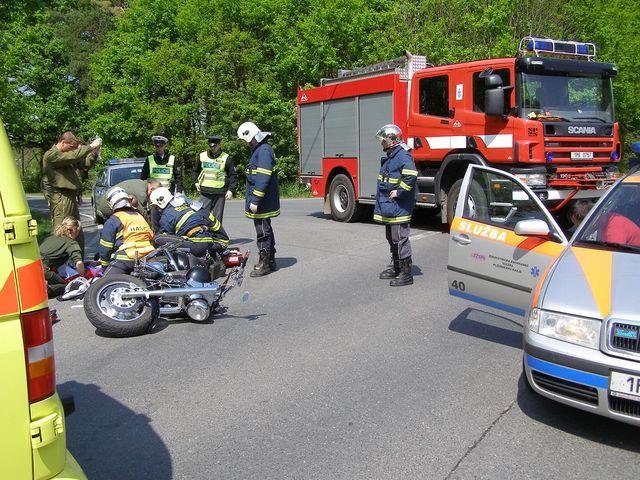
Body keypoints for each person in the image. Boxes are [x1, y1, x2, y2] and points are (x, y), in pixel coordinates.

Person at [43, 131, 102, 255]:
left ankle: (78, 261)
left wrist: (94, 153)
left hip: (70, 196)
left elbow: (84, 165)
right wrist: (90, 146)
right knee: (63, 231)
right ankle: (58, 262)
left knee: (76, 230)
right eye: (70, 147)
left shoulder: (65, 156)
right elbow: (74, 156)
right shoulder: (51, 155)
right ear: (63, 142)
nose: (72, 150)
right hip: (61, 197)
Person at [374, 124, 418, 287]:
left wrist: (399, 192)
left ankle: (406, 274)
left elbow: (411, 175)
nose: (382, 144)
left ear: (392, 140)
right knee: (392, 238)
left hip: (398, 206)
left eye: (383, 140)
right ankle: (397, 268)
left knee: (400, 239)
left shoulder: (402, 155)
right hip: (390, 206)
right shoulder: (393, 154)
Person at [237, 121, 280, 277]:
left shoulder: (263, 151)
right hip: (263, 200)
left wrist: (255, 200)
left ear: (250, 136)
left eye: (245, 140)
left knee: (262, 232)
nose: (245, 143)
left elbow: (262, 178)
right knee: (266, 229)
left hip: (262, 202)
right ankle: (270, 260)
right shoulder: (260, 149)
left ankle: (265, 263)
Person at [150, 186, 229, 257]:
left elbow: (167, 239)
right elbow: (213, 222)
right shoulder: (192, 206)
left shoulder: (166, 217)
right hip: (214, 244)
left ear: (159, 204)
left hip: (197, 247)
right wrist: (221, 242)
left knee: (158, 238)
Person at [97, 186, 155, 275]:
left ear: (111, 204)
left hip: (126, 258)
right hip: (148, 257)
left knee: (105, 285)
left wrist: (105, 267)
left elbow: (105, 248)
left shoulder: (113, 220)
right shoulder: (139, 216)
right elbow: (151, 236)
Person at [194, 134, 237, 222]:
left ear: (219, 144)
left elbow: (233, 175)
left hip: (220, 192)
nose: (213, 148)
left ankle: (217, 236)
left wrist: (230, 190)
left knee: (217, 219)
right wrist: (196, 182)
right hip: (205, 191)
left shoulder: (226, 158)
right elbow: (195, 171)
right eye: (211, 146)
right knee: (202, 216)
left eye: (215, 146)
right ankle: (202, 235)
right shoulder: (202, 156)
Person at [40, 217, 85, 298]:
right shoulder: (71, 243)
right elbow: (79, 263)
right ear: (72, 230)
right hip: (43, 270)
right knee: (67, 285)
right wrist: (82, 277)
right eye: (78, 230)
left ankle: (43, 284)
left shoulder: (51, 238)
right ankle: (46, 290)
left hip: (32, 266)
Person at [96, 179, 162, 230]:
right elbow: (142, 213)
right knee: (132, 219)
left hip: (105, 200)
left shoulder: (141, 183)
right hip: (107, 206)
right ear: (152, 189)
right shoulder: (142, 194)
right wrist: (152, 228)